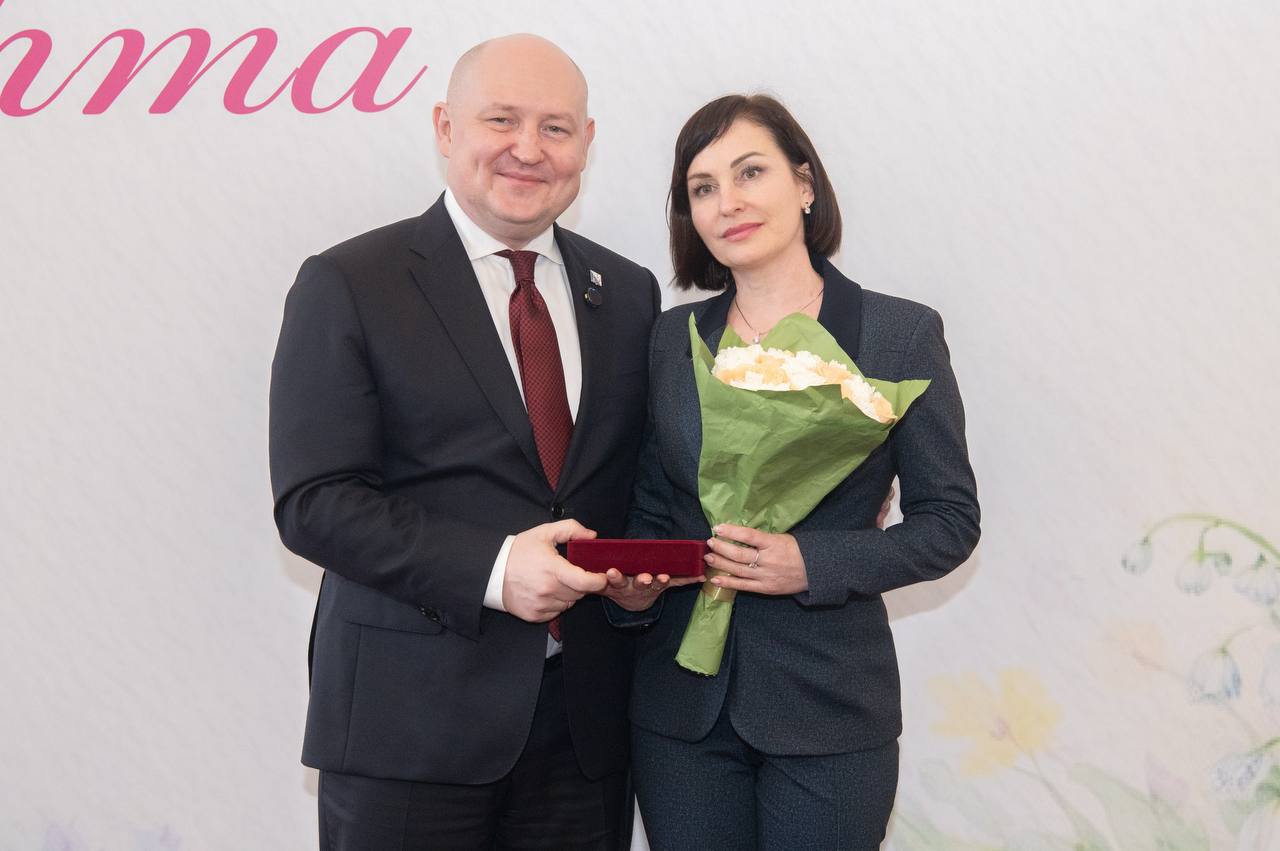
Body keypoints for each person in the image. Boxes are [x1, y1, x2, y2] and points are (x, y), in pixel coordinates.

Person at [269, 34, 688, 851]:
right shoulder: (351, 282)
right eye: (502, 119)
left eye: (555, 128)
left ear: (587, 144)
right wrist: (495, 570)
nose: (528, 149)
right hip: (407, 730)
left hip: (584, 734)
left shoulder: (629, 292)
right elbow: (314, 502)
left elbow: (623, 483)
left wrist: (638, 581)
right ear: (445, 127)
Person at [626, 94, 982, 849]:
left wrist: (811, 562)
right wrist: (632, 590)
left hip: (829, 707)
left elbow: (949, 523)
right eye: (703, 187)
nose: (728, 202)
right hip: (680, 711)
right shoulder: (668, 338)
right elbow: (653, 506)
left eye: (750, 172)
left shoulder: (897, 334)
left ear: (805, 184)